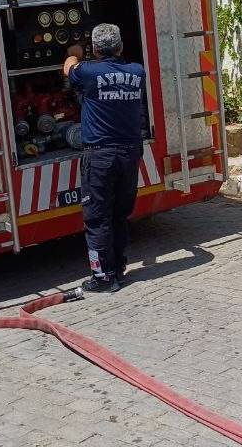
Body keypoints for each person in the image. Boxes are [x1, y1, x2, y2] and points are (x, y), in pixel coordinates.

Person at [63, 23, 147, 294]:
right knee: (119, 215)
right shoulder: (137, 71)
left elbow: (68, 68)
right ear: (121, 47)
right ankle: (118, 270)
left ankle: (102, 278)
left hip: (100, 157)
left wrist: (74, 52)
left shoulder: (87, 71)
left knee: (97, 218)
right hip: (130, 154)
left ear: (96, 50)